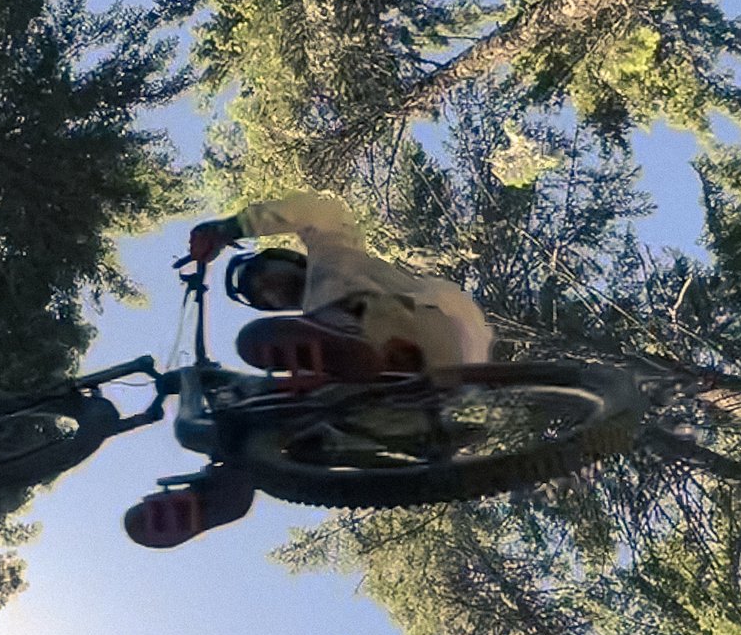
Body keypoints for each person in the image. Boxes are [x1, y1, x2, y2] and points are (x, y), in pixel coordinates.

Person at [124, 191, 494, 548]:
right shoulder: (312, 336)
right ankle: (213, 496)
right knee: (292, 411)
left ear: (291, 258)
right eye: (263, 297)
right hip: (436, 391)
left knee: (266, 338)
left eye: (264, 273)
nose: (268, 289)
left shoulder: (332, 256)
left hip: (426, 323)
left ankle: (359, 356)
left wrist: (230, 228)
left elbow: (319, 211)